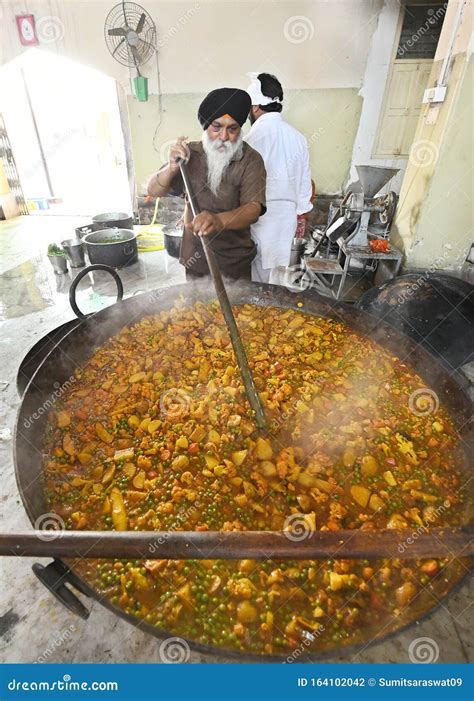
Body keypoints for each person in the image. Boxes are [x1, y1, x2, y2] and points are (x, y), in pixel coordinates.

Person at [148, 87, 267, 280]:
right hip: (195, 258)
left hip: (234, 260)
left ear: (240, 129)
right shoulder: (189, 155)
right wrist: (170, 167)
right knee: (195, 309)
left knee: (240, 309)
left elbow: (253, 209)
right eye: (216, 127)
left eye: (232, 129)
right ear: (206, 126)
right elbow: (153, 190)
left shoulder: (251, 160)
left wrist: (218, 220)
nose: (223, 137)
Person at [244, 72, 313, 283]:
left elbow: (242, 185)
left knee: (257, 280)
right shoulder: (299, 138)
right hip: (287, 222)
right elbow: (304, 189)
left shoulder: (251, 139)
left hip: (259, 219)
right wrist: (300, 217)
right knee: (281, 280)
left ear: (255, 107)